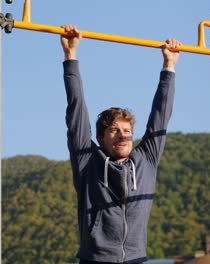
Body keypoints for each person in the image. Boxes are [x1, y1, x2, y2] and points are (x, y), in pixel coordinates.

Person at [61, 24, 181, 264]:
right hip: (95, 259)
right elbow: (76, 113)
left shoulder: (145, 159)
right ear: (101, 137)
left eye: (127, 131)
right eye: (114, 130)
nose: (122, 135)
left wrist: (169, 67)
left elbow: (160, 117)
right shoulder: (88, 160)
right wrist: (70, 56)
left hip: (136, 259)